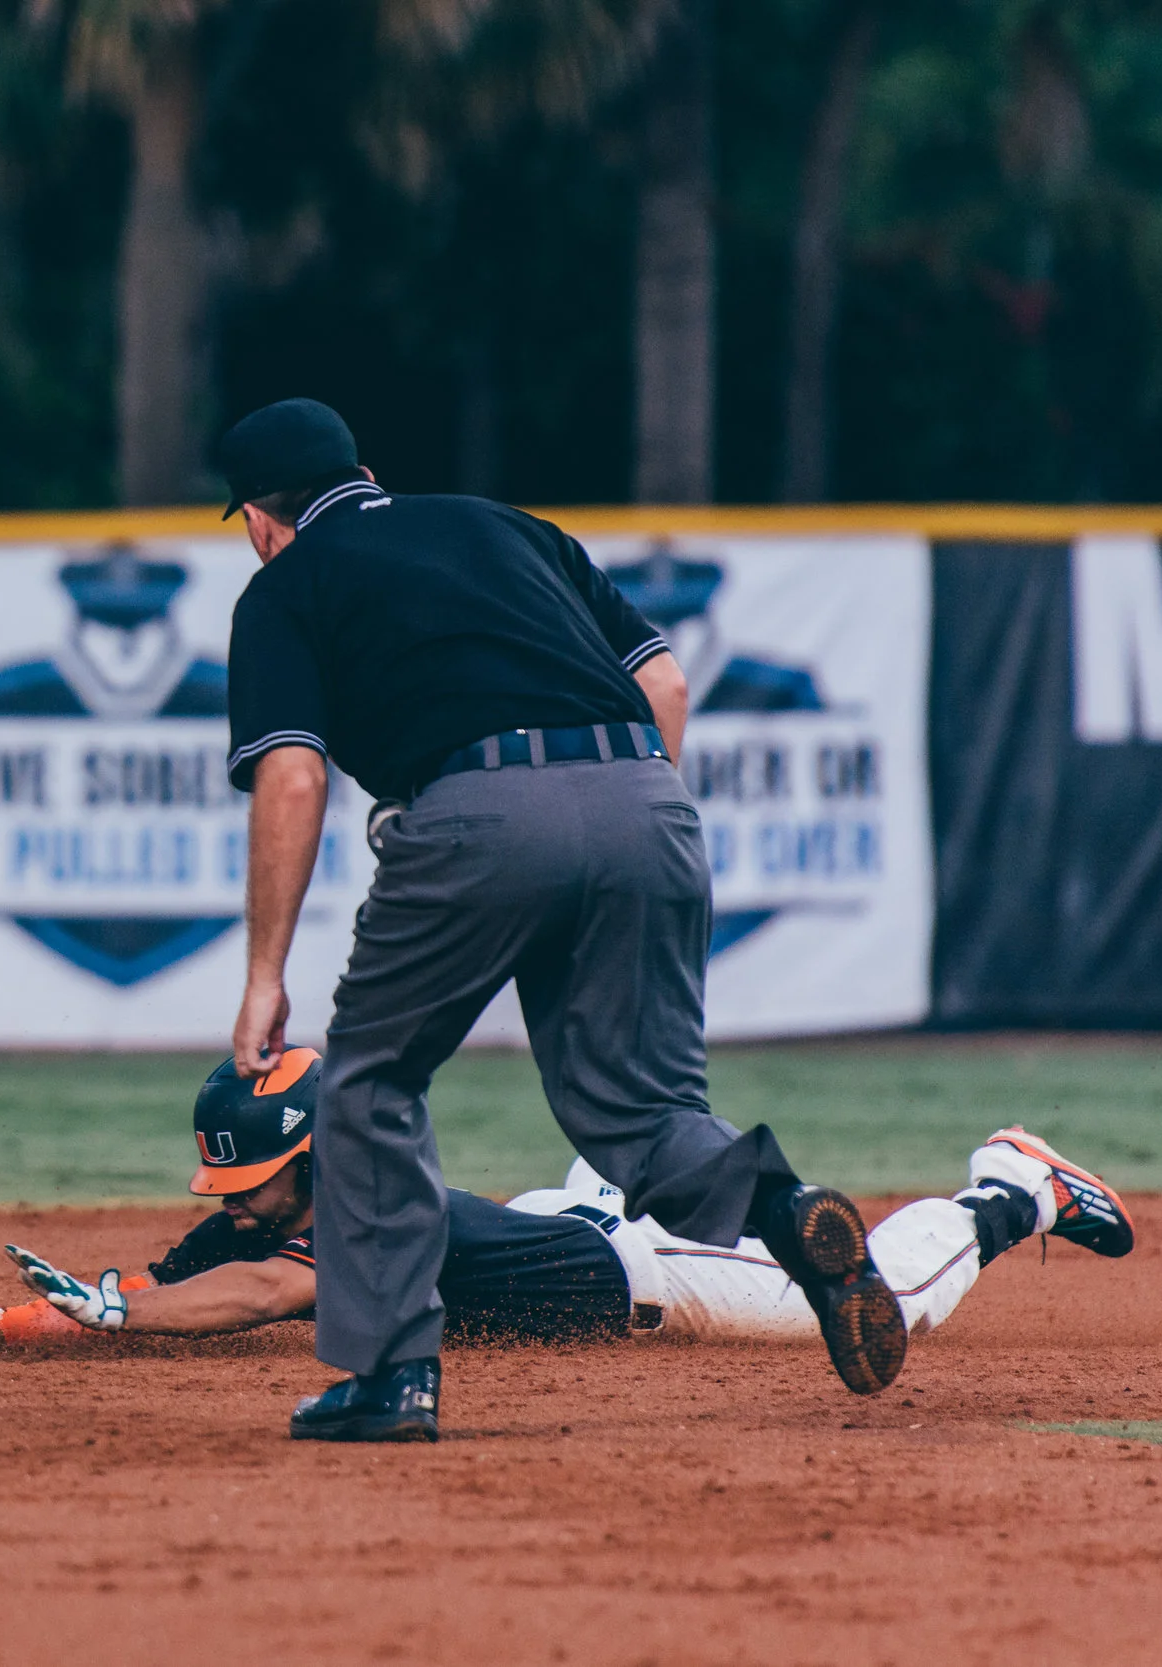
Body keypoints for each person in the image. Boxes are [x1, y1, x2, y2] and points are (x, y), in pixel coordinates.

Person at [213, 398, 908, 1441]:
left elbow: (295, 774)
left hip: (474, 811)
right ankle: (782, 1207)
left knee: (369, 1080)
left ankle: (392, 1374)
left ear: (262, 520)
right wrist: (608, 818)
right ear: (361, 468)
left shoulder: (285, 587)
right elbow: (663, 683)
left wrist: (264, 971)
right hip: (643, 797)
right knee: (642, 1107)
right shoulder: (509, 527)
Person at [0, 1051, 1135, 1356]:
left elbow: (253, 1290)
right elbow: (216, 1258)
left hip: (644, 1263)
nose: (236, 1204)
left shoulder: (346, 1207)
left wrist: (84, 1315)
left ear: (308, 1150)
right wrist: (24, 1313)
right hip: (556, 1225)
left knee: (866, 1305)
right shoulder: (307, 1192)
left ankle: (1010, 1180)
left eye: (253, 1179)